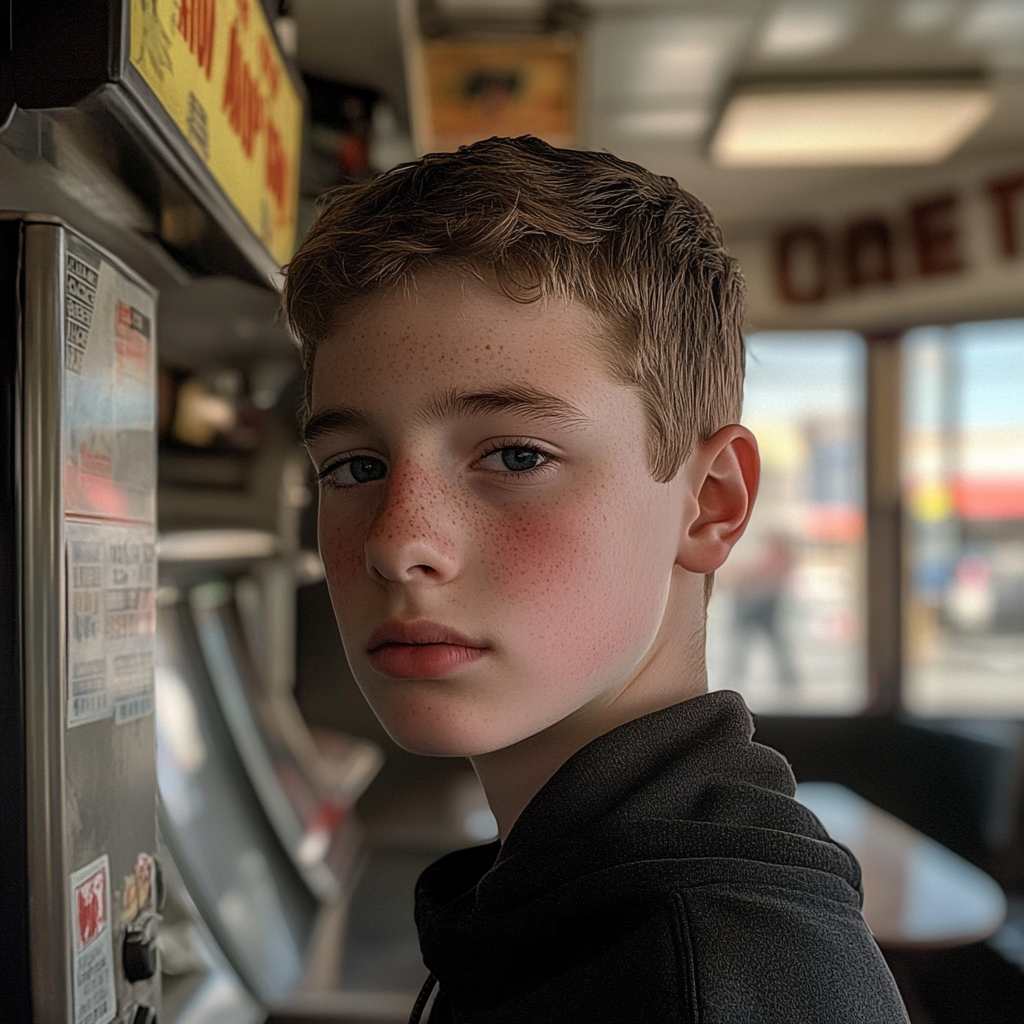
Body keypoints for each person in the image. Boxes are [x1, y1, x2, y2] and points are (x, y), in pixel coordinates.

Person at [284, 136, 909, 1024]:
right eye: (353, 467)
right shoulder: (574, 897)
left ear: (710, 507)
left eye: (515, 454)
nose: (398, 543)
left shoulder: (699, 985)